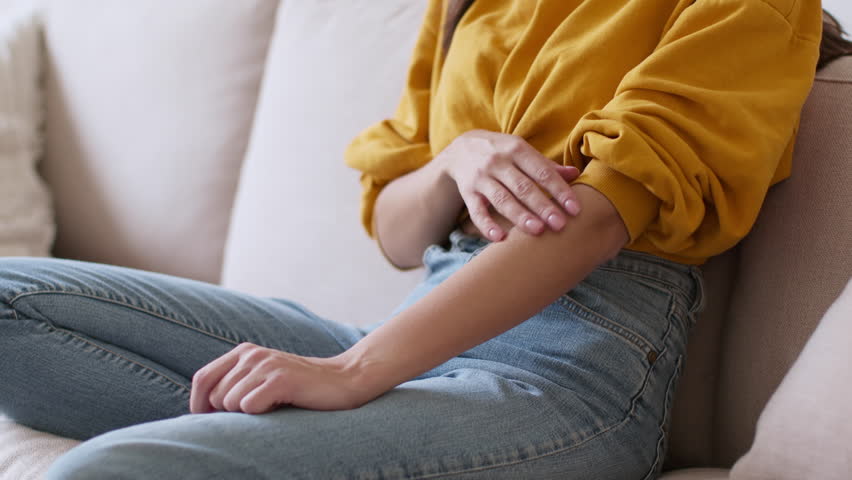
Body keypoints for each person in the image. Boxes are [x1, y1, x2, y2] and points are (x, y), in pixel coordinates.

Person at [0, 1, 847, 478]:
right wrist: (456, 159)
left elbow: (591, 223)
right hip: (418, 328)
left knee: (110, 475)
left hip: (568, 372)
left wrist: (351, 374)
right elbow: (397, 230)